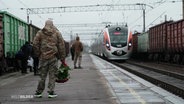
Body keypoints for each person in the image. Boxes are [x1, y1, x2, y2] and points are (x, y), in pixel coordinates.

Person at [33, 19, 66, 98]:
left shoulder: (40, 33)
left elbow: (35, 43)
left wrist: (38, 54)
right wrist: (62, 58)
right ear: (52, 24)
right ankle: (51, 92)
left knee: (42, 76)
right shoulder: (57, 33)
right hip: (53, 58)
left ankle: (39, 92)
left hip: (43, 57)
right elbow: (61, 46)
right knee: (52, 75)